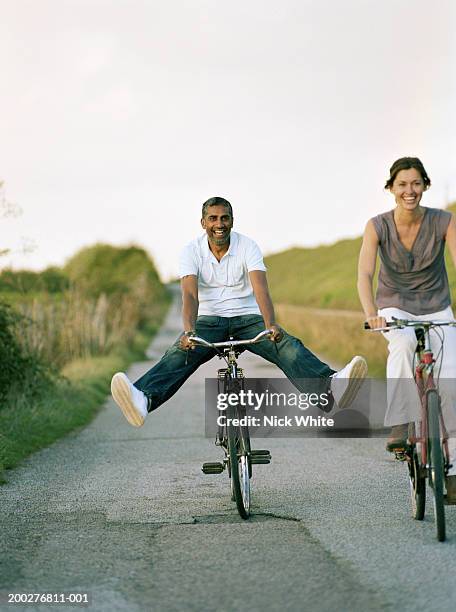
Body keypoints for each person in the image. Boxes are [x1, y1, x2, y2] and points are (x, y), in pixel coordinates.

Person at [111, 196, 367, 430]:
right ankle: (143, 398)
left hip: (248, 319)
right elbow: (189, 295)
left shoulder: (248, 246)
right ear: (203, 223)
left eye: (224, 218)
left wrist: (271, 325)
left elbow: (260, 290)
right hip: (209, 321)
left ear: (232, 221)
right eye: (213, 218)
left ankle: (331, 385)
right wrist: (189, 332)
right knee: (180, 352)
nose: (219, 224)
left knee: (286, 345)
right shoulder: (191, 251)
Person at [358, 157, 456, 500]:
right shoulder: (377, 225)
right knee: (400, 347)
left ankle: (454, 468)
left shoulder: (445, 221)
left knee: (451, 379)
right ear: (391, 188)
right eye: (402, 184)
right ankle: (401, 421)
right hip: (394, 306)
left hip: (437, 306)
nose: (409, 191)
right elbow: (365, 275)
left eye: (416, 183)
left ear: (425, 186)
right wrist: (373, 314)